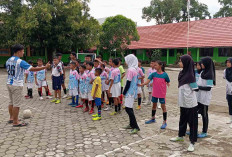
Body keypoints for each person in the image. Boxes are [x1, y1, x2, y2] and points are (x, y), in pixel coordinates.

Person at [6, 44, 50, 127]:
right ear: (18, 51)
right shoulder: (20, 61)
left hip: (9, 83)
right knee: (16, 104)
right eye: (22, 51)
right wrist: (45, 67)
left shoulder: (8, 60)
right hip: (16, 84)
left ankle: (11, 118)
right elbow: (32, 69)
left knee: (11, 102)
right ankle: (16, 122)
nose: (23, 52)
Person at [170, 55, 198, 152]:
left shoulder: (190, 75)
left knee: (192, 123)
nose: (179, 63)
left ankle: (192, 142)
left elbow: (195, 88)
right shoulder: (181, 73)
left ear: (186, 63)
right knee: (182, 120)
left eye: (181, 61)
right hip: (183, 102)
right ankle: (180, 135)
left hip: (190, 103)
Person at [141, 61, 170, 129]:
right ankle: (153, 118)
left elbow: (168, 81)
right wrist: (142, 84)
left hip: (162, 94)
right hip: (155, 93)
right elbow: (147, 81)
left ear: (160, 66)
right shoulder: (153, 74)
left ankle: (164, 121)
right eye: (154, 65)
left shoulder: (165, 74)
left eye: (156, 65)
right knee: (154, 106)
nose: (154, 66)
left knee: (163, 107)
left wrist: (168, 83)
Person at [197, 57, 216, 138]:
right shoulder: (202, 72)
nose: (201, 64)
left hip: (205, 98)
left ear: (207, 64)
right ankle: (194, 129)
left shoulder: (210, 75)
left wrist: (198, 87)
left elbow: (208, 88)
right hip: (199, 97)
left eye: (202, 63)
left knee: (204, 114)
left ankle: (204, 131)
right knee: (196, 113)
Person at [122, 54, 140, 134]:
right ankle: (131, 124)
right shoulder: (134, 69)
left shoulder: (130, 70)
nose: (125, 62)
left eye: (126, 60)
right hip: (133, 91)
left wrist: (124, 93)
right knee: (129, 108)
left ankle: (136, 126)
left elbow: (128, 82)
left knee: (128, 108)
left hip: (130, 92)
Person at [224, 58, 232, 128]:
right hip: (228, 92)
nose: (228, 63)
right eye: (227, 62)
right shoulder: (225, 71)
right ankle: (230, 119)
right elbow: (225, 78)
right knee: (230, 105)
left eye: (229, 62)